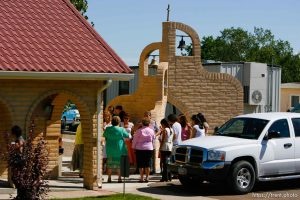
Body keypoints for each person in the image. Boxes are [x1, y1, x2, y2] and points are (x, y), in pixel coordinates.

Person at [103, 116, 129, 183]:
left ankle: (109, 178)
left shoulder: (108, 129)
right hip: (119, 149)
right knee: (119, 164)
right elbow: (128, 136)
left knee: (110, 163)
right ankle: (119, 178)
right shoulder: (121, 129)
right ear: (119, 122)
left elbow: (105, 136)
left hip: (110, 148)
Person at [132, 117, 155, 183]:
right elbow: (153, 138)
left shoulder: (139, 131)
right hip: (149, 148)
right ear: (149, 123)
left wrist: (133, 147)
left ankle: (141, 178)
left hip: (140, 148)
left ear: (142, 123)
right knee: (147, 164)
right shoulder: (151, 130)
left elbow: (135, 140)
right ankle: (147, 178)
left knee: (140, 164)